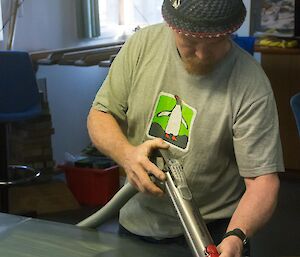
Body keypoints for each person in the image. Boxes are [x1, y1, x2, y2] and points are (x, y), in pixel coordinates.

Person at [87, 0, 284, 256]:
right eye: (190, 42)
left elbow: (262, 180)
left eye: (214, 43)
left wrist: (237, 236)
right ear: (172, 25)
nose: (201, 55)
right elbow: (100, 115)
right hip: (138, 225)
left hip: (214, 231)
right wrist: (126, 155)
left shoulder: (251, 83)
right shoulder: (142, 46)